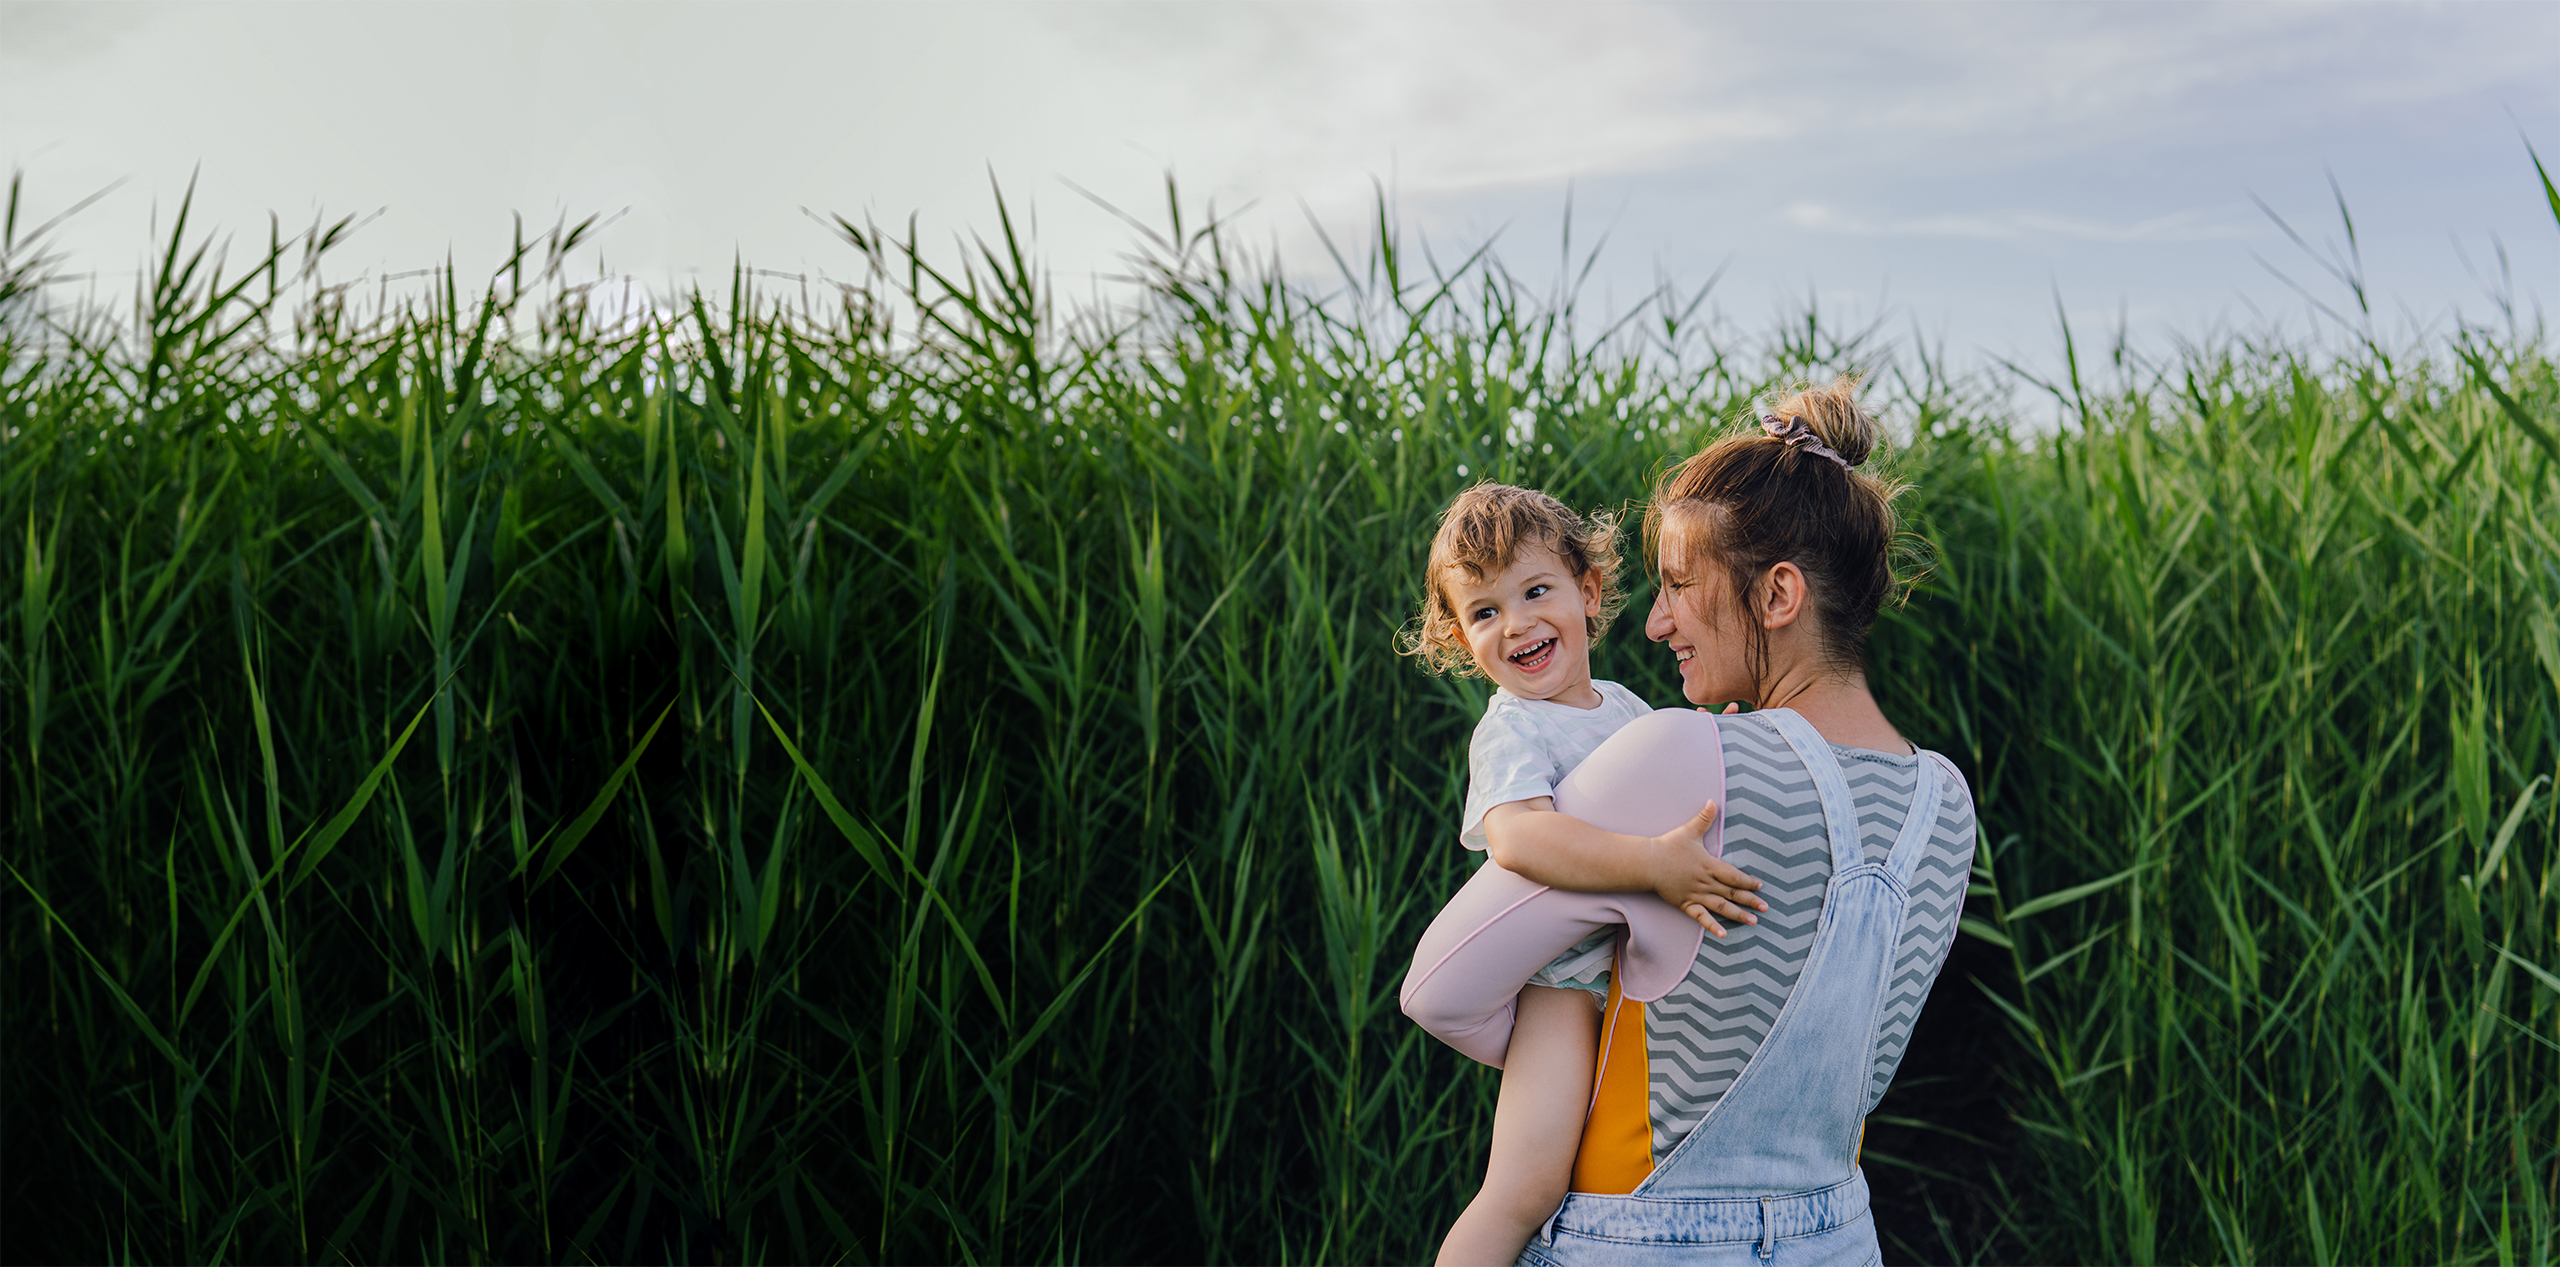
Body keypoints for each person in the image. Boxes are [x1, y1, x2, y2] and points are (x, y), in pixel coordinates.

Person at [1402, 377, 1979, 1265]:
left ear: (1779, 594)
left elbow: (1435, 990)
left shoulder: (1678, 755)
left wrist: (1564, 1052)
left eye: (1678, 585)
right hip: (1839, 1236)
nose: (1659, 619)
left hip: (1645, 1238)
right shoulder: (1946, 803)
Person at [1398, 483, 1770, 1267]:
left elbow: (1667, 785)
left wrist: (1724, 747)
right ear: (1464, 641)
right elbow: (1521, 839)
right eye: (1487, 612)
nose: (1519, 623)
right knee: (1525, 1189)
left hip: (1638, 983)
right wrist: (1650, 865)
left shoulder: (1628, 707)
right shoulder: (1512, 728)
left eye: (1536, 591)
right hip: (1566, 990)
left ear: (1588, 590)